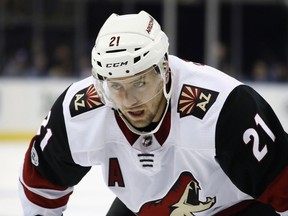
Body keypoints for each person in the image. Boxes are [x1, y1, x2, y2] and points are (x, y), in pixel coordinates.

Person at [18, 11, 288, 216]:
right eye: (115, 86)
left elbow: (283, 185)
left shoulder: (226, 109)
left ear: (164, 71)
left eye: (139, 82)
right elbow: (40, 186)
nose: (129, 100)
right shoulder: (77, 112)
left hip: (235, 209)